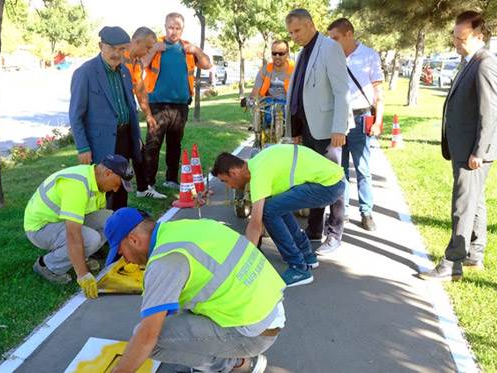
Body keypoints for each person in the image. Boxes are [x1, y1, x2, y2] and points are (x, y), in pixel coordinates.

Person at [104, 208, 284, 373]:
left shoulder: (165, 261)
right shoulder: (184, 228)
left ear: (134, 240)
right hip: (269, 311)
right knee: (175, 304)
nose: (125, 261)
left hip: (253, 334)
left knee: (150, 342)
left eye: (121, 253)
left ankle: (235, 365)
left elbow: (147, 336)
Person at [420, 11, 497, 281]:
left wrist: (478, 152)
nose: (456, 42)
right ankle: (474, 254)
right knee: (474, 201)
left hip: (473, 151)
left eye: (461, 38)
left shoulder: (485, 64)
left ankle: (452, 263)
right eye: (454, 37)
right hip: (464, 148)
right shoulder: (470, 60)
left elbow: (488, 113)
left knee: (463, 206)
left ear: (479, 37)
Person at [211, 144, 345, 287]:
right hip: (332, 181)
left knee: (268, 210)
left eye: (225, 181)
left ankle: (298, 268)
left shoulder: (259, 175)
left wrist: (245, 260)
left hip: (327, 186)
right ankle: (306, 255)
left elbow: (256, 223)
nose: (228, 186)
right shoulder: (259, 163)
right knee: (275, 206)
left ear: (233, 172)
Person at [285, 9, 351, 255]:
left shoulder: (329, 47)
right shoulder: (303, 52)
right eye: (290, 33)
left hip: (328, 129)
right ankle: (314, 228)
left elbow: (341, 91)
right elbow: (301, 93)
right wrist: (297, 129)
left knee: (334, 180)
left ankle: (335, 233)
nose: (294, 36)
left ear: (310, 25)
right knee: (313, 180)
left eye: (297, 30)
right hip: (308, 128)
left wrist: (339, 128)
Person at [24, 154, 134, 299]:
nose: (115, 190)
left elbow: (97, 217)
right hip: (41, 228)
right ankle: (48, 266)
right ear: (108, 173)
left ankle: (79, 257)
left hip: (60, 220)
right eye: (117, 184)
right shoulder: (77, 186)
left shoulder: (96, 181)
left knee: (111, 220)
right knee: (91, 239)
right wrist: (83, 275)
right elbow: (73, 235)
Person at [136, 12, 212, 195]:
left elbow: (207, 64)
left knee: (174, 144)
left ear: (182, 29)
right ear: (165, 27)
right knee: (153, 144)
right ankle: (147, 185)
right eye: (171, 27)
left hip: (180, 106)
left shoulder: (186, 48)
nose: (174, 31)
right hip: (158, 104)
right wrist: (154, 50)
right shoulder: (156, 45)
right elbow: (141, 64)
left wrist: (196, 50)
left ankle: (171, 179)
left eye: (177, 28)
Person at [69, 26, 142, 211]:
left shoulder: (124, 72)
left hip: (124, 137)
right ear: (101, 45)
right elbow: (76, 114)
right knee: (104, 186)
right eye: (112, 48)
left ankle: (120, 221)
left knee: (121, 182)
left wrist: (136, 135)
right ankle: (103, 228)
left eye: (121, 49)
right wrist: (82, 146)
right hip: (100, 142)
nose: (117, 54)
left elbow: (130, 107)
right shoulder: (85, 73)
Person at [327, 18, 384, 232]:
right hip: (338, 119)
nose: (332, 42)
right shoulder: (332, 56)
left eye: (336, 38)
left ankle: (366, 212)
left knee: (362, 167)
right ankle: (343, 213)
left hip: (361, 118)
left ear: (349, 34)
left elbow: (378, 93)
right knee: (338, 169)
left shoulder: (369, 55)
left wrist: (378, 121)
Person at [122, 27, 167, 200]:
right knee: (123, 156)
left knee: (138, 151)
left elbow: (140, 90)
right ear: (136, 41)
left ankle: (142, 188)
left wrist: (148, 115)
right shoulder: (119, 58)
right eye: (148, 48)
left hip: (129, 115)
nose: (149, 52)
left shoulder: (137, 63)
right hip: (116, 119)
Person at [247, 40, 294, 128]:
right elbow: (256, 90)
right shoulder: (265, 69)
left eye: (281, 53)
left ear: (287, 54)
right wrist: (250, 99)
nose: (277, 56)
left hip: (288, 110)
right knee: (259, 128)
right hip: (268, 106)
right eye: (274, 53)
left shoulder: (295, 70)